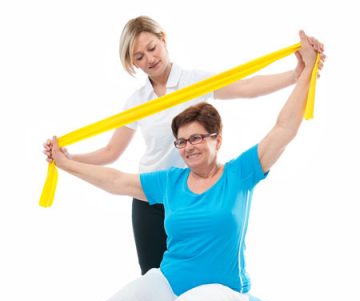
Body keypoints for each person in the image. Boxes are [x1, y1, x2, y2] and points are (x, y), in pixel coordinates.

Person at [49, 31, 322, 301]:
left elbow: (285, 128)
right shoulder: (171, 184)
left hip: (224, 288)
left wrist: (306, 73)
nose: (190, 146)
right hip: (173, 277)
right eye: (182, 141)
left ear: (216, 139)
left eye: (198, 138)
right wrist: (66, 163)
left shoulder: (240, 174)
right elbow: (117, 181)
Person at [43, 16, 325, 276]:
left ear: (163, 40)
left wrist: (297, 75)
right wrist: (68, 157)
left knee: (197, 274)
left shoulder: (194, 81)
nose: (149, 59)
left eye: (152, 48)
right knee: (154, 277)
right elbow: (110, 152)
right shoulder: (137, 102)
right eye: (139, 57)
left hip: (194, 195)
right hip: (151, 198)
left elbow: (246, 87)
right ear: (134, 64)